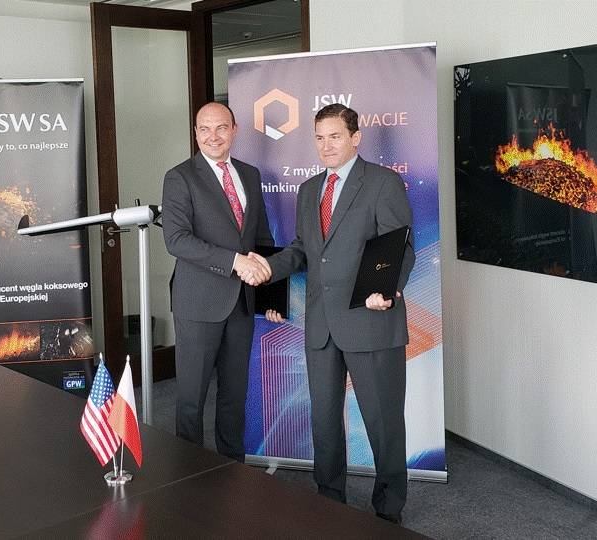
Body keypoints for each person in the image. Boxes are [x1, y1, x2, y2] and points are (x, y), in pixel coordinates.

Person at [248, 104, 415, 523]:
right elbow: (303, 251)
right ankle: (329, 501)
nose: (326, 146)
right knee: (323, 422)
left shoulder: (383, 182)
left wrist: (386, 289)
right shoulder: (309, 190)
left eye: (335, 136)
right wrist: (267, 268)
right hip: (321, 326)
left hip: (370, 320)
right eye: (320, 138)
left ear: (356, 137)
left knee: (383, 422)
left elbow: (400, 247)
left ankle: (388, 510)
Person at [162, 102, 274, 462]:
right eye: (205, 129)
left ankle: (231, 470)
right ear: (196, 133)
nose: (213, 136)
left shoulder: (250, 175)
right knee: (191, 398)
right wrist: (234, 261)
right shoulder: (180, 177)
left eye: (221, 128)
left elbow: (261, 239)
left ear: (234, 130)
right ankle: (190, 474)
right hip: (198, 303)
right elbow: (176, 240)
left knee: (234, 395)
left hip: (242, 304)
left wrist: (271, 297)